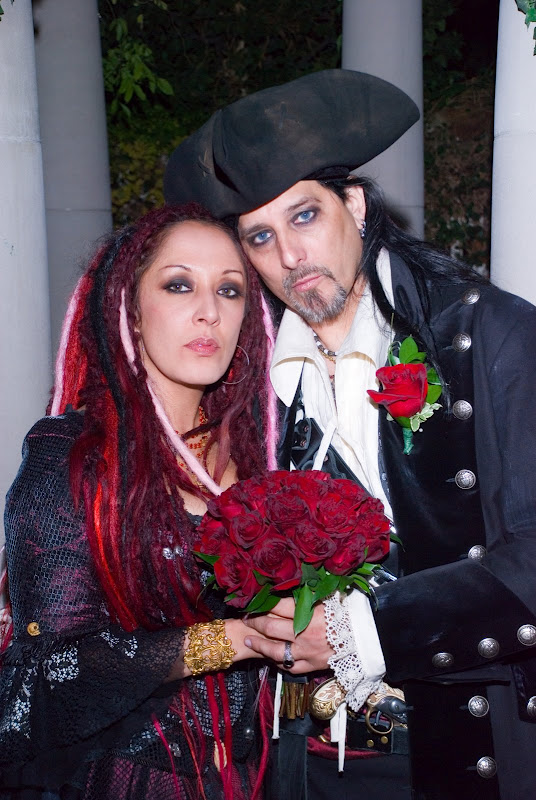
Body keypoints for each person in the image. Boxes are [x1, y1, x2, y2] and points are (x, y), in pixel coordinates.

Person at [163, 70, 536, 799]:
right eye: (261, 237)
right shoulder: (248, 382)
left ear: (357, 207)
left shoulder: (489, 334)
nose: (289, 256)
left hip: (457, 743)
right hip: (300, 763)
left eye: (305, 217)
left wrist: (359, 634)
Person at [0, 204, 281, 800]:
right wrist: (238, 638)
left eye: (229, 290)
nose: (209, 311)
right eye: (179, 285)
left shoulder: (265, 457)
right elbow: (53, 669)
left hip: (261, 775)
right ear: (128, 308)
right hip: (123, 778)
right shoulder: (73, 456)